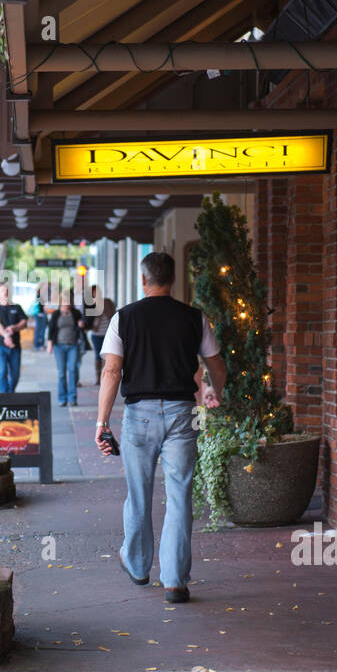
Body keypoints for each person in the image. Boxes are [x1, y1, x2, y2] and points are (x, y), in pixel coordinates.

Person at [95, 251, 226, 604]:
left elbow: (111, 372)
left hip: (139, 416)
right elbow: (217, 365)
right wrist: (214, 392)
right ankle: (175, 581)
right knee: (179, 496)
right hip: (183, 415)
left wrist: (102, 422)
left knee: (139, 494)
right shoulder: (194, 318)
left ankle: (138, 566)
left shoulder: (124, 318)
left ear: (143, 280)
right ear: (173, 280)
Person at [45, 291, 85, 406]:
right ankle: (62, 399)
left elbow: (83, 326)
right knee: (62, 373)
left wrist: (82, 325)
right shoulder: (56, 314)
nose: (67, 303)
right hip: (59, 346)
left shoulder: (76, 313)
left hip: (73, 345)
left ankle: (72, 398)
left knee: (72, 370)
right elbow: (51, 329)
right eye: (65, 300)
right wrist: (50, 344)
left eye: (69, 301)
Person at [0, 283, 28, 393]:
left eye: (7, 291)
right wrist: (6, 336)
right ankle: (4, 397)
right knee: (2, 372)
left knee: (15, 374)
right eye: (2, 291)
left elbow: (24, 322)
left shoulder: (17, 307)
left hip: (15, 347)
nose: (5, 293)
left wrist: (14, 328)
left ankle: (10, 393)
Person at [86, 284, 116, 386]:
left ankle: (106, 376)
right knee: (98, 356)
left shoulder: (107, 302)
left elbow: (113, 314)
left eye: (97, 291)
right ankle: (98, 377)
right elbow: (87, 319)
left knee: (107, 356)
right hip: (96, 334)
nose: (96, 293)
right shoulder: (90, 304)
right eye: (93, 292)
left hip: (108, 333)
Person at [31, 285, 48, 349]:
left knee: (40, 329)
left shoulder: (39, 296)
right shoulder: (39, 297)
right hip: (39, 314)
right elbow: (42, 307)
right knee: (40, 330)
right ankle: (38, 344)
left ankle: (39, 344)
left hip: (39, 314)